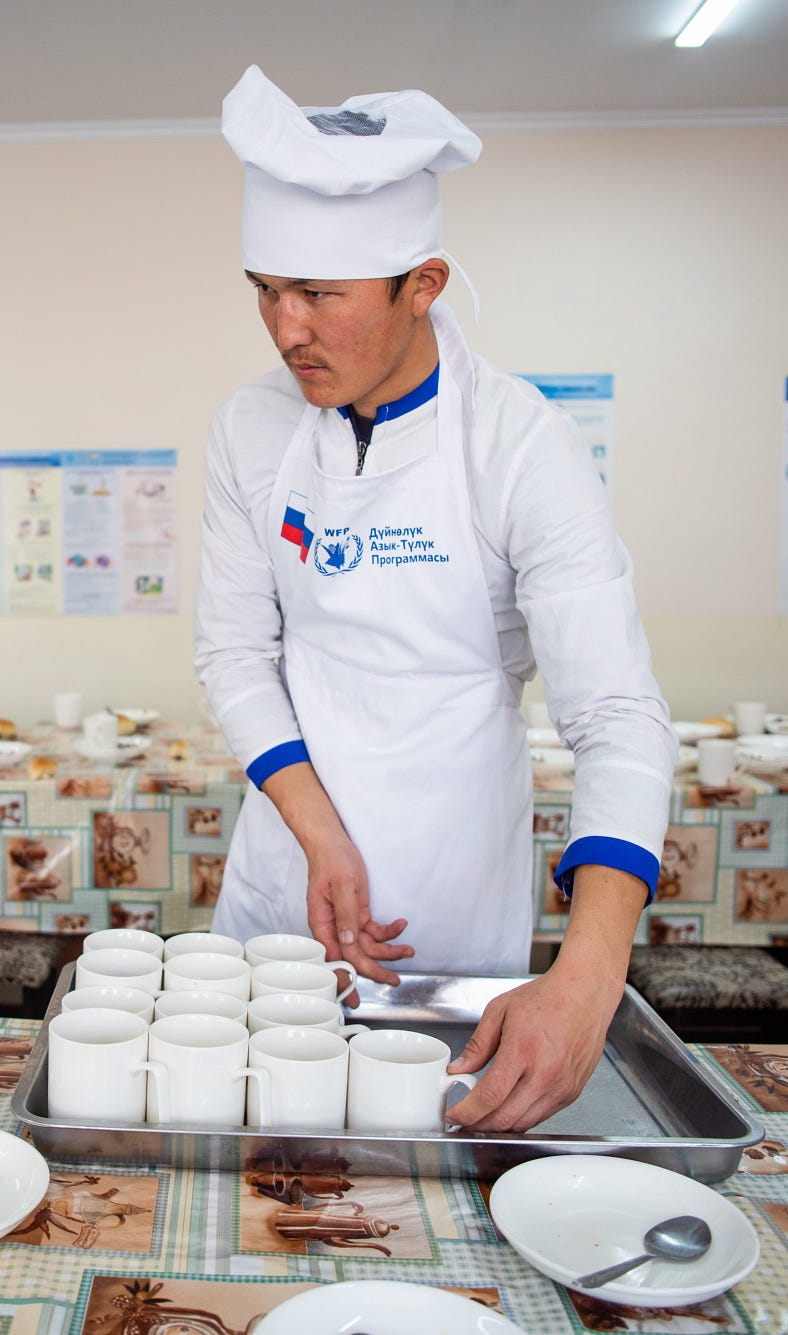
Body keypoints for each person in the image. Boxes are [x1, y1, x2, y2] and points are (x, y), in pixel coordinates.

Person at [195, 67, 676, 1132]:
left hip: (448, 880)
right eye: (263, 288)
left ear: (423, 283)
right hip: (288, 863)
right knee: (252, 1153)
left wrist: (587, 974)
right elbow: (232, 655)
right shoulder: (252, 429)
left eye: (319, 295)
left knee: (417, 1172)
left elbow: (617, 718)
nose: (284, 329)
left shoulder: (518, 445)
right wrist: (319, 838)